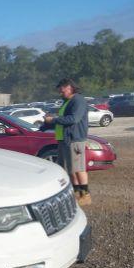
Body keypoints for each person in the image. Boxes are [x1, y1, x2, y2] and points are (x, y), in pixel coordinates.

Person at [43, 78, 91, 206]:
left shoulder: (78, 100)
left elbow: (73, 119)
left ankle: (85, 195)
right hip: (64, 140)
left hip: (75, 140)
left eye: (62, 89)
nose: (60, 92)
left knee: (78, 168)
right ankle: (77, 194)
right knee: (70, 170)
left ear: (69, 87)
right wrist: (46, 124)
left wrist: (53, 120)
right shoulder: (67, 101)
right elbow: (63, 120)